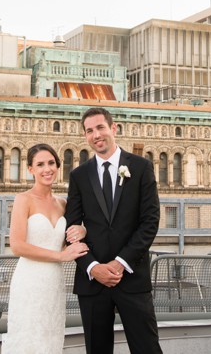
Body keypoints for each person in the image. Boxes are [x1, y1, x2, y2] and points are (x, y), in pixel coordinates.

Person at [66, 107, 162, 354]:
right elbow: (71, 229)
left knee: (147, 349)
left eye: (100, 127)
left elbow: (150, 222)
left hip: (131, 277)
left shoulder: (141, 167)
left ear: (113, 128)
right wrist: (92, 267)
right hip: (93, 282)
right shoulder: (78, 175)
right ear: (85, 136)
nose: (96, 135)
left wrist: (120, 263)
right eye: (89, 130)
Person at [3, 144, 89, 354]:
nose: (47, 169)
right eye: (40, 164)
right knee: (28, 337)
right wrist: (60, 256)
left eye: (51, 163)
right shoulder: (23, 199)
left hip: (54, 282)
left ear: (58, 166)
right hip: (29, 280)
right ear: (30, 169)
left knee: (51, 336)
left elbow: (64, 240)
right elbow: (17, 245)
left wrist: (82, 231)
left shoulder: (63, 204)